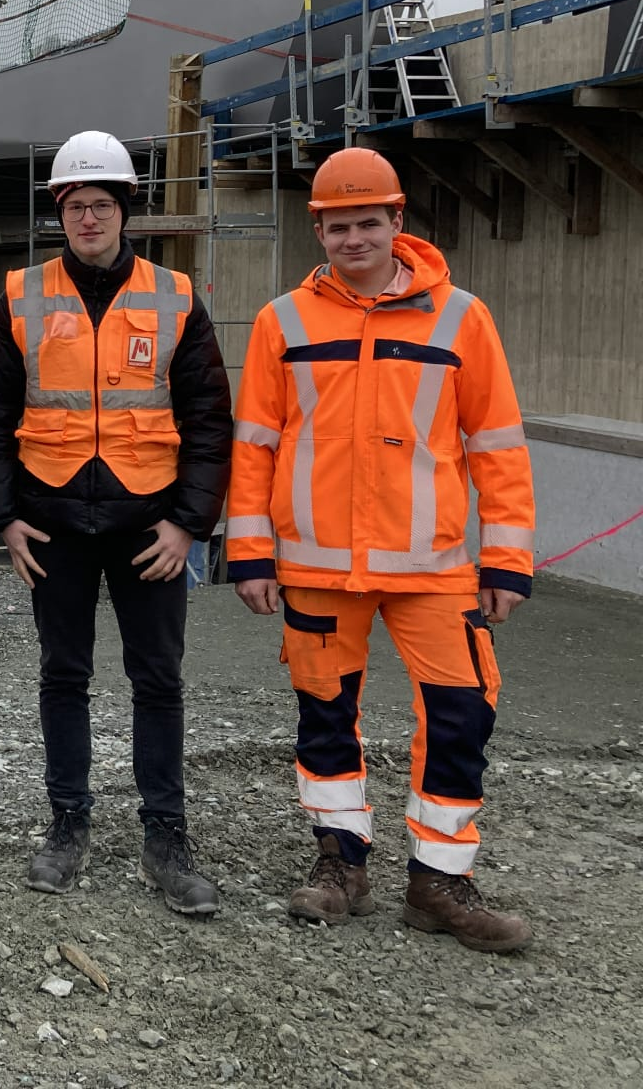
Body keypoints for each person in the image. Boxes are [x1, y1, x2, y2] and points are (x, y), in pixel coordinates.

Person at [226, 147, 536, 951]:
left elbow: (498, 444)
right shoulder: (281, 323)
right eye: (338, 224)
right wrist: (250, 554)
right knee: (326, 717)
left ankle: (440, 881)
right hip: (317, 566)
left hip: (432, 568)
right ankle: (341, 862)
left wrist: (506, 559)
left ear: (399, 222)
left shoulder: (461, 318)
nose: (353, 237)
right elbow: (255, 446)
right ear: (318, 229)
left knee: (461, 714)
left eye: (369, 221)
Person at [0, 129, 232, 915]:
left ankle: (166, 836)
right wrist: (3, 518)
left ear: (125, 209)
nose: (89, 218)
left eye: (102, 204)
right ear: (61, 211)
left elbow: (209, 420)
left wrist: (189, 524)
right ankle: (67, 825)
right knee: (63, 677)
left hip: (149, 525)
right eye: (76, 205)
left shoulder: (175, 296)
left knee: (158, 681)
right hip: (51, 522)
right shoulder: (21, 295)